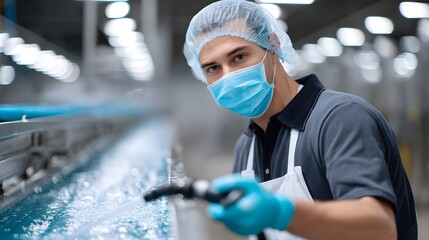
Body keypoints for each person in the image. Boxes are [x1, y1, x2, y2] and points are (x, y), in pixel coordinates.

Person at [183, 0, 418, 239]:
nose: (229, 76)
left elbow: (379, 228)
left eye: (239, 57)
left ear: (272, 46)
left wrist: (281, 212)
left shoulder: (340, 118)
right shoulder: (247, 146)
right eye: (213, 68)